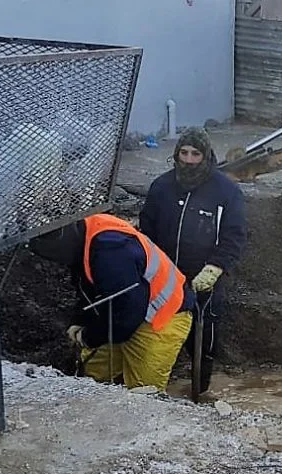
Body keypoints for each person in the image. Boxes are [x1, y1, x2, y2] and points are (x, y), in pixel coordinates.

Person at [28, 214, 195, 392]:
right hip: (125, 311)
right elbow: (88, 284)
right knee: (92, 377)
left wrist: (89, 337)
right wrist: (81, 320)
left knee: (143, 395)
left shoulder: (111, 252)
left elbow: (129, 313)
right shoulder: (86, 233)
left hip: (162, 316)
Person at [139, 130, 248, 394]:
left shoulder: (226, 192)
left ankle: (199, 390)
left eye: (195, 154)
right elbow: (147, 229)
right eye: (183, 153)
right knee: (158, 331)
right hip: (164, 279)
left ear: (206, 155)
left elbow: (235, 234)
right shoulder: (161, 187)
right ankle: (154, 388)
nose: (188, 160)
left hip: (204, 279)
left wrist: (215, 267)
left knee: (203, 335)